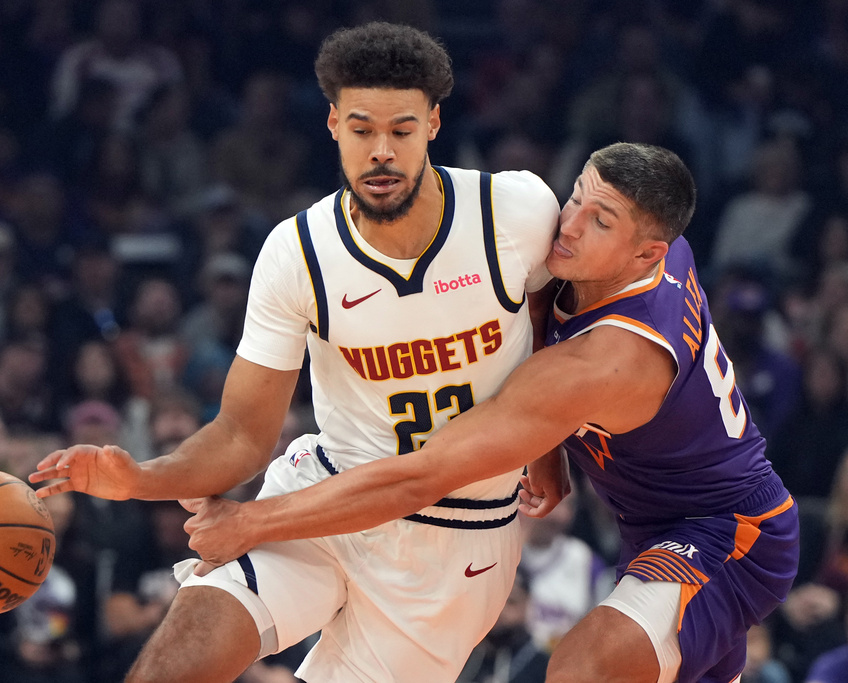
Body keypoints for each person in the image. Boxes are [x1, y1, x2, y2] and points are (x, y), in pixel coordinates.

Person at [31, 21, 560, 682]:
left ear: (434, 124)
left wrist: (546, 446)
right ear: (334, 124)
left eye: (401, 130)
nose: (382, 152)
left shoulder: (514, 212)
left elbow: (548, 317)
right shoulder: (298, 250)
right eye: (363, 129)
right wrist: (140, 477)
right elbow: (241, 434)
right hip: (323, 496)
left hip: (457, 541)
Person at [171, 143, 800, 683]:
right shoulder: (642, 249)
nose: (570, 223)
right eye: (576, 194)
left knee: (584, 667)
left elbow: (421, 476)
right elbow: (542, 304)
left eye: (599, 220)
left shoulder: (603, 362)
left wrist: (253, 521)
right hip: (656, 518)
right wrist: (546, 452)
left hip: (729, 528)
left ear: (646, 255)